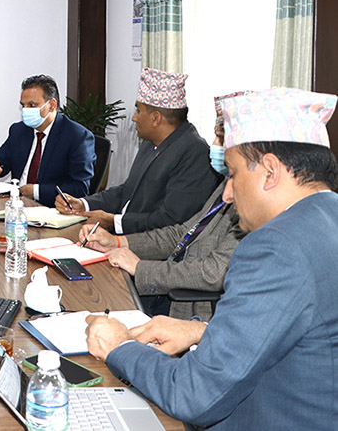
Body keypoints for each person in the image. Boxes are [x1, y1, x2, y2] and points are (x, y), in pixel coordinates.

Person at [86, 87, 338, 429]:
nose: (228, 193)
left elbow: (194, 394)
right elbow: (300, 333)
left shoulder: (275, 247)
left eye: (232, 174)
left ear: (270, 171)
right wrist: (202, 331)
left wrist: (119, 347)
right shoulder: (327, 217)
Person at [78, 93, 246, 320]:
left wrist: (141, 268)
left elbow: (214, 272)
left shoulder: (252, 202)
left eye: (221, 138)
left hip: (188, 309)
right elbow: (181, 233)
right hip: (164, 280)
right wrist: (117, 242)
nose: (213, 145)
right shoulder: (228, 184)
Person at [56, 68, 219, 234]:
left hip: (145, 244)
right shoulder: (150, 142)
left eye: (138, 111)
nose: (134, 117)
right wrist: (83, 204)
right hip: (120, 234)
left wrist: (113, 220)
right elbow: (126, 191)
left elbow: (172, 220)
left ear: (155, 118)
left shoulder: (194, 152)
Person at [0, 75, 94, 207]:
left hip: (51, 209)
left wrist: (36, 191)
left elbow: (80, 188)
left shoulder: (77, 136)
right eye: (23, 105)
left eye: (32, 105)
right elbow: (0, 162)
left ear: (52, 105)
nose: (25, 110)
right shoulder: (19, 131)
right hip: (15, 205)